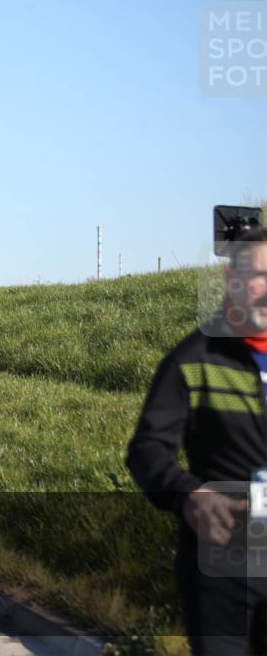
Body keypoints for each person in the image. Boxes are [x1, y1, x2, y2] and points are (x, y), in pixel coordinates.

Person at [127, 228, 267, 656]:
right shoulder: (193, 359)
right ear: (232, 280)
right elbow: (147, 450)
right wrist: (188, 493)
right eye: (260, 276)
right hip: (227, 559)